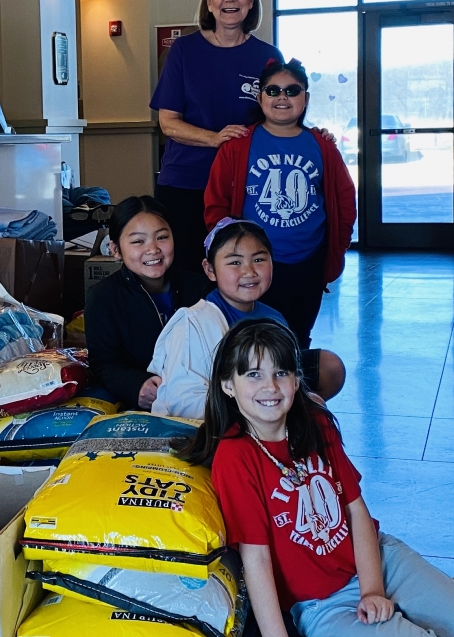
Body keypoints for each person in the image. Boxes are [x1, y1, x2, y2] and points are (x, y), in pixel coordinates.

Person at [182, 319, 454, 637]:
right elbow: (255, 560)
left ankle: (407, 622)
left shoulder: (316, 421)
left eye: (282, 372)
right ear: (228, 384)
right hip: (323, 605)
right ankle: (413, 631)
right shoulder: (236, 456)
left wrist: (374, 588)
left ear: (297, 379)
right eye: (254, 374)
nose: (271, 387)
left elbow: (356, 509)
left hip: (378, 559)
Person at [204, 59, 356, 349]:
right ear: (260, 97)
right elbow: (216, 205)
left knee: (297, 340)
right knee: (253, 342)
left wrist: (339, 245)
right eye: (272, 91)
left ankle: (293, 391)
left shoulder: (323, 146)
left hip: (308, 262)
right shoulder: (237, 145)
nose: (282, 97)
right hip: (254, 265)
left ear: (306, 98)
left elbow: (344, 201)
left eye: (292, 90)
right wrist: (230, 253)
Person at [149, 0, 282, 275]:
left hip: (246, 186)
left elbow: (280, 120)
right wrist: (214, 138)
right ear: (209, 2)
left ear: (251, 0)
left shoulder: (268, 56)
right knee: (189, 276)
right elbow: (167, 122)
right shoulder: (183, 50)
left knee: (243, 274)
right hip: (186, 183)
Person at [147, 218, 344, 419]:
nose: (249, 271)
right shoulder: (192, 323)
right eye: (234, 262)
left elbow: (287, 378)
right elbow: (182, 403)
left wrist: (302, 400)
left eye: (259, 260)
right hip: (213, 431)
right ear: (210, 270)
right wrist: (255, 410)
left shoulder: (274, 319)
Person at [85, 196, 208, 409]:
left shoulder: (200, 288)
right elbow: (104, 364)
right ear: (115, 249)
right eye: (138, 241)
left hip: (201, 401)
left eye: (162, 237)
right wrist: (137, 386)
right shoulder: (104, 297)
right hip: (142, 408)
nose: (153, 249)